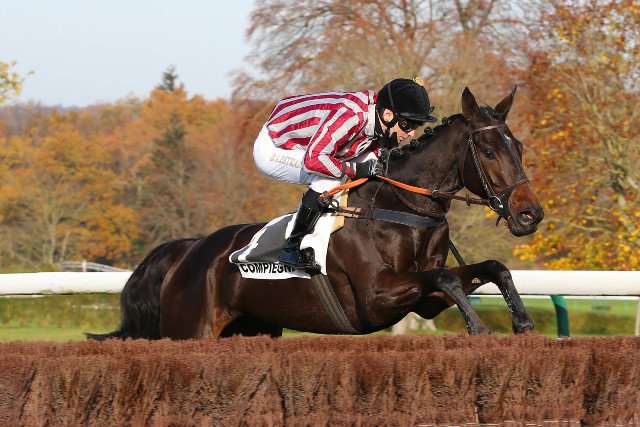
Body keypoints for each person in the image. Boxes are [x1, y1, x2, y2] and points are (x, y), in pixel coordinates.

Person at [253, 77, 438, 270]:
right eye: (408, 125)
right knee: (328, 180)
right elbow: (313, 160)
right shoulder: (351, 117)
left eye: (416, 126)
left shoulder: (378, 114)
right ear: (388, 115)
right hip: (274, 146)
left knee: (372, 164)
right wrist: (356, 170)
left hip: (312, 144)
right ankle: (291, 247)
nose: (411, 133)